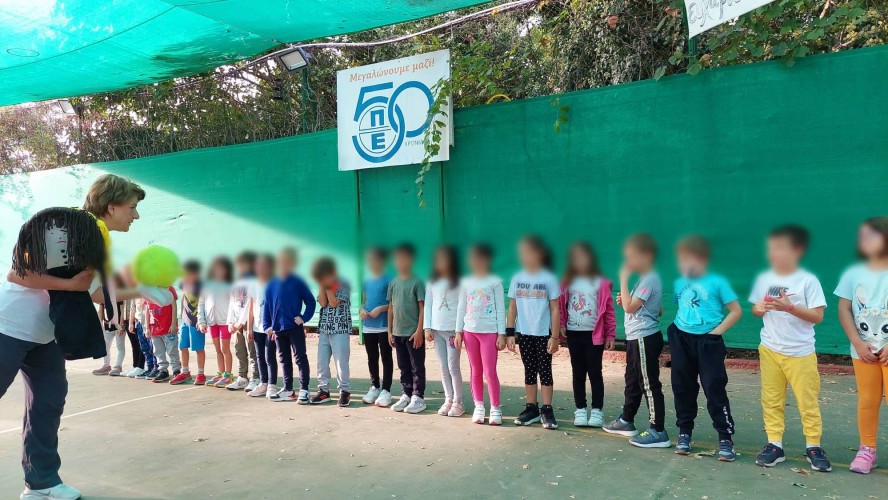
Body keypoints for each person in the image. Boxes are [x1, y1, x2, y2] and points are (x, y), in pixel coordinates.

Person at [1, 173, 145, 500]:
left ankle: (41, 484)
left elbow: (94, 293)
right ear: (112, 207)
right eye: (132, 207)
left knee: (47, 406)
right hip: (8, 327)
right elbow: (16, 274)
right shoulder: (63, 230)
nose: (135, 216)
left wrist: (145, 291)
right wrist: (69, 285)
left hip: (46, 337)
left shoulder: (96, 240)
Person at [749, 225, 830, 472]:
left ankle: (813, 446)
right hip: (770, 350)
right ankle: (774, 444)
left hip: (800, 353)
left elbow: (818, 316)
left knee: (807, 401)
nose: (774, 253)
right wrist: (758, 309)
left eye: (781, 248)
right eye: (772, 248)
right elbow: (756, 310)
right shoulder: (765, 279)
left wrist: (790, 307)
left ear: (797, 250)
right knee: (771, 399)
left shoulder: (808, 280)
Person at [669, 235, 742, 461]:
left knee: (713, 387)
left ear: (702, 259)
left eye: (688, 259)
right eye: (681, 259)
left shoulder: (718, 282)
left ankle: (725, 438)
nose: (684, 264)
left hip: (708, 342)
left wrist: (714, 334)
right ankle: (684, 432)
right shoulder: (679, 282)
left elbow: (736, 311)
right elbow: (681, 306)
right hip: (681, 338)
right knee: (682, 386)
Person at [605, 233, 669, 448]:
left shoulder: (650, 278)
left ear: (647, 255)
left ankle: (658, 431)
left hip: (644, 338)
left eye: (632, 256)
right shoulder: (646, 279)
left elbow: (630, 308)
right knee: (632, 380)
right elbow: (658, 309)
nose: (628, 262)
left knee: (649, 384)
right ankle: (626, 420)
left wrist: (623, 281)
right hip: (636, 337)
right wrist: (627, 298)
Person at [834, 216, 888, 474]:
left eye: (871, 235)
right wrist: (857, 342)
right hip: (863, 351)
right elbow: (843, 308)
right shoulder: (853, 274)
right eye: (862, 236)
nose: (863, 240)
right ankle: (867, 450)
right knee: (867, 399)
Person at [558, 242, 615, 429]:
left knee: (595, 372)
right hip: (574, 335)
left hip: (594, 336)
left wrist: (610, 335)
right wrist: (561, 324)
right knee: (578, 372)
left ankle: (597, 410)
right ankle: (580, 409)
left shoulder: (601, 283)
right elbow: (561, 306)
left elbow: (609, 311)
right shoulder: (567, 282)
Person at [507, 236, 561, 429]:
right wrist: (510, 333)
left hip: (544, 334)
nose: (526, 256)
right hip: (524, 334)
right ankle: (531, 408)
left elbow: (555, 309)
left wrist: (555, 336)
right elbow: (512, 307)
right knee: (529, 370)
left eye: (530, 252)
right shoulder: (517, 278)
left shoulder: (549, 278)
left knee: (545, 371)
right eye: (523, 253)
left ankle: (547, 409)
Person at [455, 244, 506, 424]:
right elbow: (461, 307)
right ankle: (479, 406)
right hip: (470, 332)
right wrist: (458, 331)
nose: (477, 262)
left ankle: (495, 407)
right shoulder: (466, 282)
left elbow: (501, 309)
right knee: (475, 370)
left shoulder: (495, 282)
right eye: (473, 258)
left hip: (489, 332)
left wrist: (502, 334)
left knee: (490, 371)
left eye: (481, 258)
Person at [264, 247, 316, 403]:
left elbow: (311, 302)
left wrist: (303, 318)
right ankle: (288, 390)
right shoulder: (271, 283)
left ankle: (304, 390)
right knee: (284, 359)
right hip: (278, 330)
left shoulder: (298, 281)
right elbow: (267, 306)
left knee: (300, 358)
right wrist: (267, 326)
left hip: (294, 328)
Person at [387, 243, 427, 414]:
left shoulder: (417, 282)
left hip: (413, 334)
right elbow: (391, 308)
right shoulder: (393, 283)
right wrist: (390, 331)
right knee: (403, 366)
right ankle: (407, 394)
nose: (401, 262)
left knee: (417, 366)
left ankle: (418, 397)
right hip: (398, 333)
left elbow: (422, 308)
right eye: (398, 259)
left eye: (404, 258)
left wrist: (419, 331)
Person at [423, 246, 463, 416]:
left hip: (452, 331)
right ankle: (448, 398)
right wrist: (427, 327)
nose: (441, 263)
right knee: (443, 366)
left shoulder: (460, 282)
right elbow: (428, 305)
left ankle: (458, 402)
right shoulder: (432, 281)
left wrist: (459, 330)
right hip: (437, 331)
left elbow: (462, 307)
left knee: (453, 366)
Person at [311, 257, 353, 406]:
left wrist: (328, 286)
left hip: (340, 329)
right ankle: (323, 391)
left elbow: (334, 303)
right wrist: (322, 285)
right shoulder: (324, 284)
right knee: (322, 362)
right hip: (325, 329)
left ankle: (344, 391)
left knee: (341, 362)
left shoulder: (344, 283)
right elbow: (323, 303)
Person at [359, 247, 393, 407]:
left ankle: (386, 390)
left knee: (386, 357)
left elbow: (393, 303)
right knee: (372, 358)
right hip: (368, 326)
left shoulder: (390, 278)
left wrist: (381, 309)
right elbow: (364, 301)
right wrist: (361, 310)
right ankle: (375, 387)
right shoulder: (366, 280)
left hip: (384, 326)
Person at [245, 253, 278, 398]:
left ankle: (272, 385)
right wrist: (249, 328)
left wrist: (275, 326)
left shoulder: (275, 283)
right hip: (257, 327)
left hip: (270, 328)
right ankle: (263, 383)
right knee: (260, 357)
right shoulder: (253, 284)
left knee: (269, 356)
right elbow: (251, 307)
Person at [198, 256, 233, 388]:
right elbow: (201, 304)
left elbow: (234, 304)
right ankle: (221, 373)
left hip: (225, 322)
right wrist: (201, 321)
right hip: (212, 322)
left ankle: (228, 375)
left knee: (225, 349)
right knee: (218, 349)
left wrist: (233, 321)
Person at [227, 251, 259, 392]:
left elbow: (249, 304)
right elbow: (232, 303)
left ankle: (256, 378)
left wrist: (241, 322)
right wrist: (230, 322)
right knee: (239, 350)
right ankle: (242, 377)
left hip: (249, 322)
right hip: (236, 324)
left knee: (253, 351)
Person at [170, 260, 205, 385]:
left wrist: (202, 320)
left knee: (198, 348)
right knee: (182, 346)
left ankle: (201, 374)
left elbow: (203, 303)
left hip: (196, 321)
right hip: (185, 320)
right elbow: (183, 298)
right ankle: (185, 372)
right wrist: (180, 318)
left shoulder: (201, 285)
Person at [93, 274, 129, 377]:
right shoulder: (104, 294)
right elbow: (101, 310)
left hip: (118, 324)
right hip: (107, 324)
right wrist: (99, 324)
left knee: (120, 345)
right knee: (105, 345)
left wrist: (121, 324)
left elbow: (123, 309)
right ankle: (106, 365)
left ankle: (118, 366)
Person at [148, 286, 180, 383]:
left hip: (168, 327)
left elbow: (174, 306)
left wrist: (173, 324)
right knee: (158, 351)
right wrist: (147, 327)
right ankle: (163, 370)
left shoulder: (168, 288)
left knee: (172, 350)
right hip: (154, 328)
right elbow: (147, 310)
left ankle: (176, 370)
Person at [130, 297, 157, 379]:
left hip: (149, 323)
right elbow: (132, 308)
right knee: (144, 348)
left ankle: (156, 369)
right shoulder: (135, 294)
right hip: (139, 322)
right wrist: (131, 323)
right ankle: (150, 368)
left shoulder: (148, 292)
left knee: (152, 347)